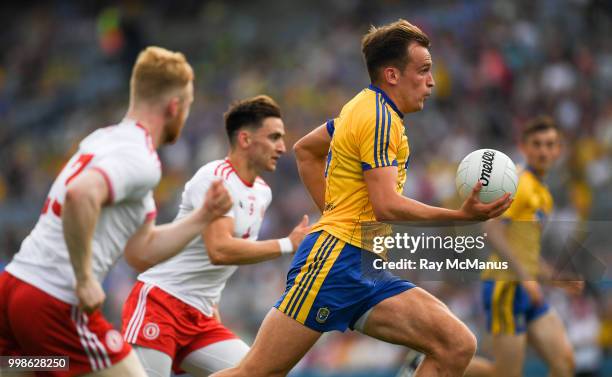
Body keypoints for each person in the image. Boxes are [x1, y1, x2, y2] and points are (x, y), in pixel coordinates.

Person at [211, 19, 512, 377]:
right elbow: (386, 204)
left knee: (456, 344)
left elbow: (306, 150)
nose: (431, 81)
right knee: (255, 373)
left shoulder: (364, 108)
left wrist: (336, 212)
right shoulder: (378, 118)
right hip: (335, 264)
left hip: (364, 266)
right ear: (392, 75)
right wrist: (460, 217)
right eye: (424, 70)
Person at [0, 46, 232, 377]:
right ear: (174, 106)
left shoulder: (103, 139)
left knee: (28, 369)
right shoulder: (139, 159)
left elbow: (141, 250)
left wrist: (202, 216)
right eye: (188, 106)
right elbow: (80, 195)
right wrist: (83, 279)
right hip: (55, 300)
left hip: (14, 291)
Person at [120, 95, 310, 377]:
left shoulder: (262, 192)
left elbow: (219, 264)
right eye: (273, 137)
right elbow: (219, 250)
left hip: (201, 316)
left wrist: (213, 307)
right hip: (160, 305)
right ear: (245, 140)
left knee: (263, 372)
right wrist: (286, 244)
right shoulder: (214, 178)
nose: (282, 147)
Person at [462, 116, 584, 377]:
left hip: (527, 287)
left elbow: (524, 249)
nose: (543, 151)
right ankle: (434, 363)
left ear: (558, 149)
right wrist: (526, 277)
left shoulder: (543, 192)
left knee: (564, 364)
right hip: (504, 288)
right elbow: (492, 230)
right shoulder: (518, 183)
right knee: (505, 374)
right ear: (524, 147)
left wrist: (555, 279)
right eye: (537, 144)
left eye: (550, 144)